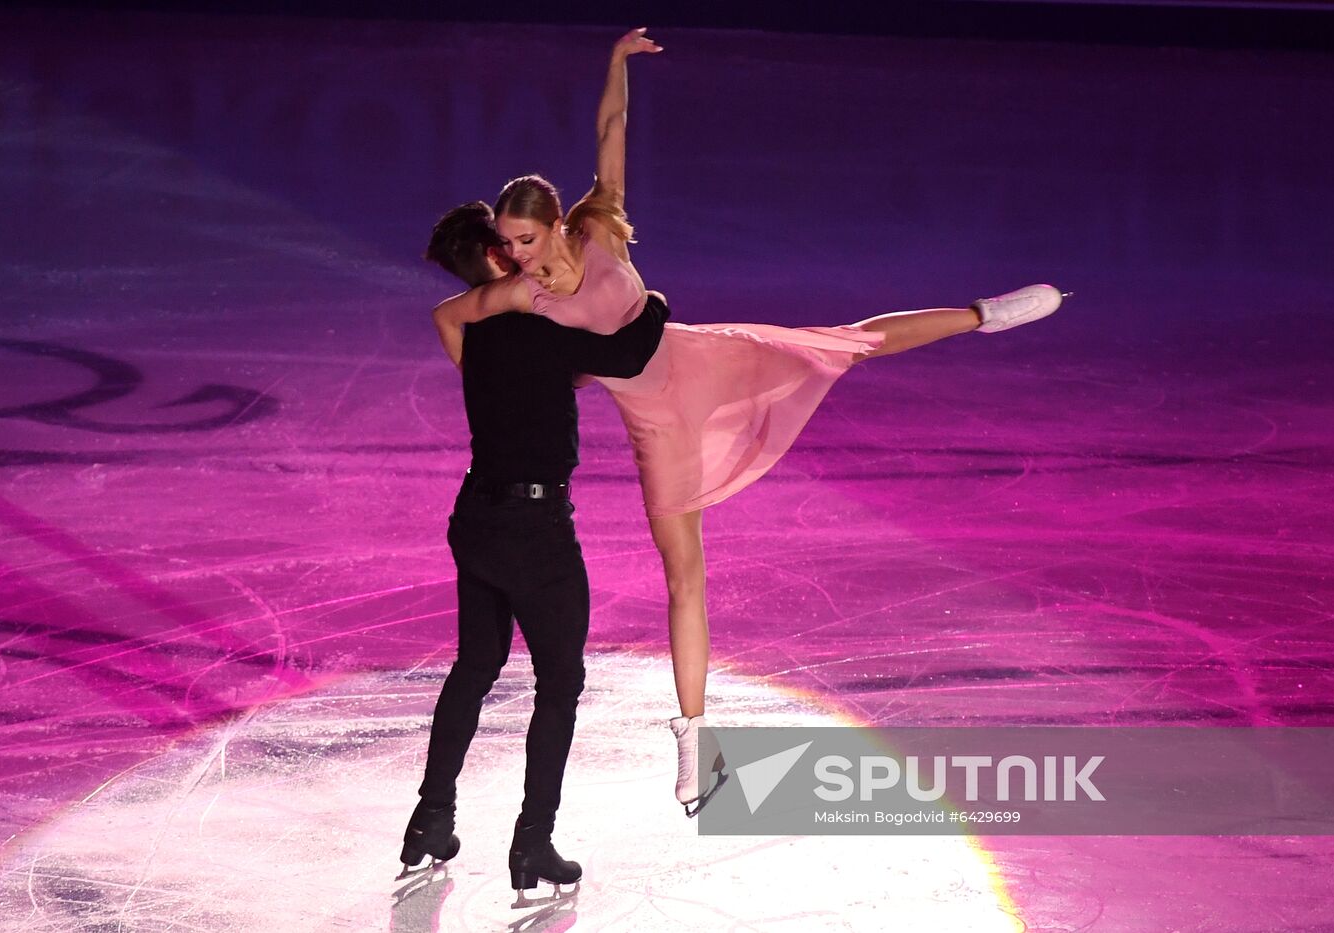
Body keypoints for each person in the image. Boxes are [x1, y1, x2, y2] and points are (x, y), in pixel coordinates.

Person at [430, 29, 1065, 814]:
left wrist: (616, 63)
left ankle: (981, 314)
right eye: (509, 245)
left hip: (705, 360)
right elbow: (454, 312)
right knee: (684, 576)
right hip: (655, 425)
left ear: (557, 223)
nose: (520, 255)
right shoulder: (533, 304)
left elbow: (610, 131)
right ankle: (696, 742)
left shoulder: (599, 225)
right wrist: (478, 370)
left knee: (843, 344)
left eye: (526, 239)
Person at [402, 202, 669, 896]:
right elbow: (627, 353)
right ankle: (532, 841)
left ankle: (430, 821)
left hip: (476, 520)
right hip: (535, 531)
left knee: (477, 664)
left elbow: (463, 320)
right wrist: (655, 305)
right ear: (496, 257)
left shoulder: (473, 333)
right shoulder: (540, 329)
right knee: (560, 683)